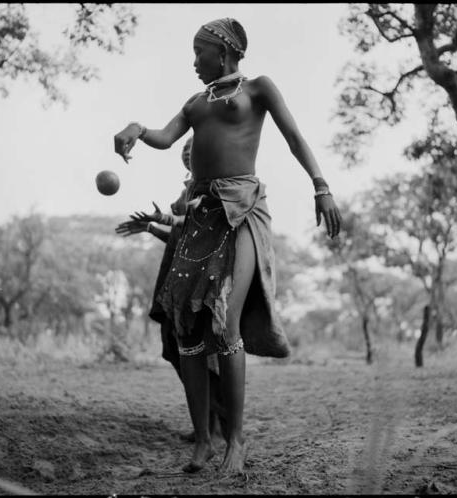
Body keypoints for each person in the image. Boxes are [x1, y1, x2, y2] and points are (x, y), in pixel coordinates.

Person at [114, 17, 342, 475]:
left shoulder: (258, 88)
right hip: (200, 218)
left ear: (223, 51)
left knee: (225, 322)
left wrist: (321, 185)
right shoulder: (196, 103)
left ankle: (235, 442)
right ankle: (202, 441)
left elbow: (295, 137)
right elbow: (164, 137)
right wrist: (137, 129)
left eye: (198, 52)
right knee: (188, 333)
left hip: (240, 211)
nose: (193, 61)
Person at [115, 137, 227, 443]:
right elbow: (181, 237)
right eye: (185, 150)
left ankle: (218, 423)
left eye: (195, 148)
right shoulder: (187, 188)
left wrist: (163, 218)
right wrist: (151, 228)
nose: (188, 153)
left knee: (200, 351)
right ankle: (207, 420)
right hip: (176, 275)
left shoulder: (214, 186)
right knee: (173, 347)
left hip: (199, 278)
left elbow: (197, 227)